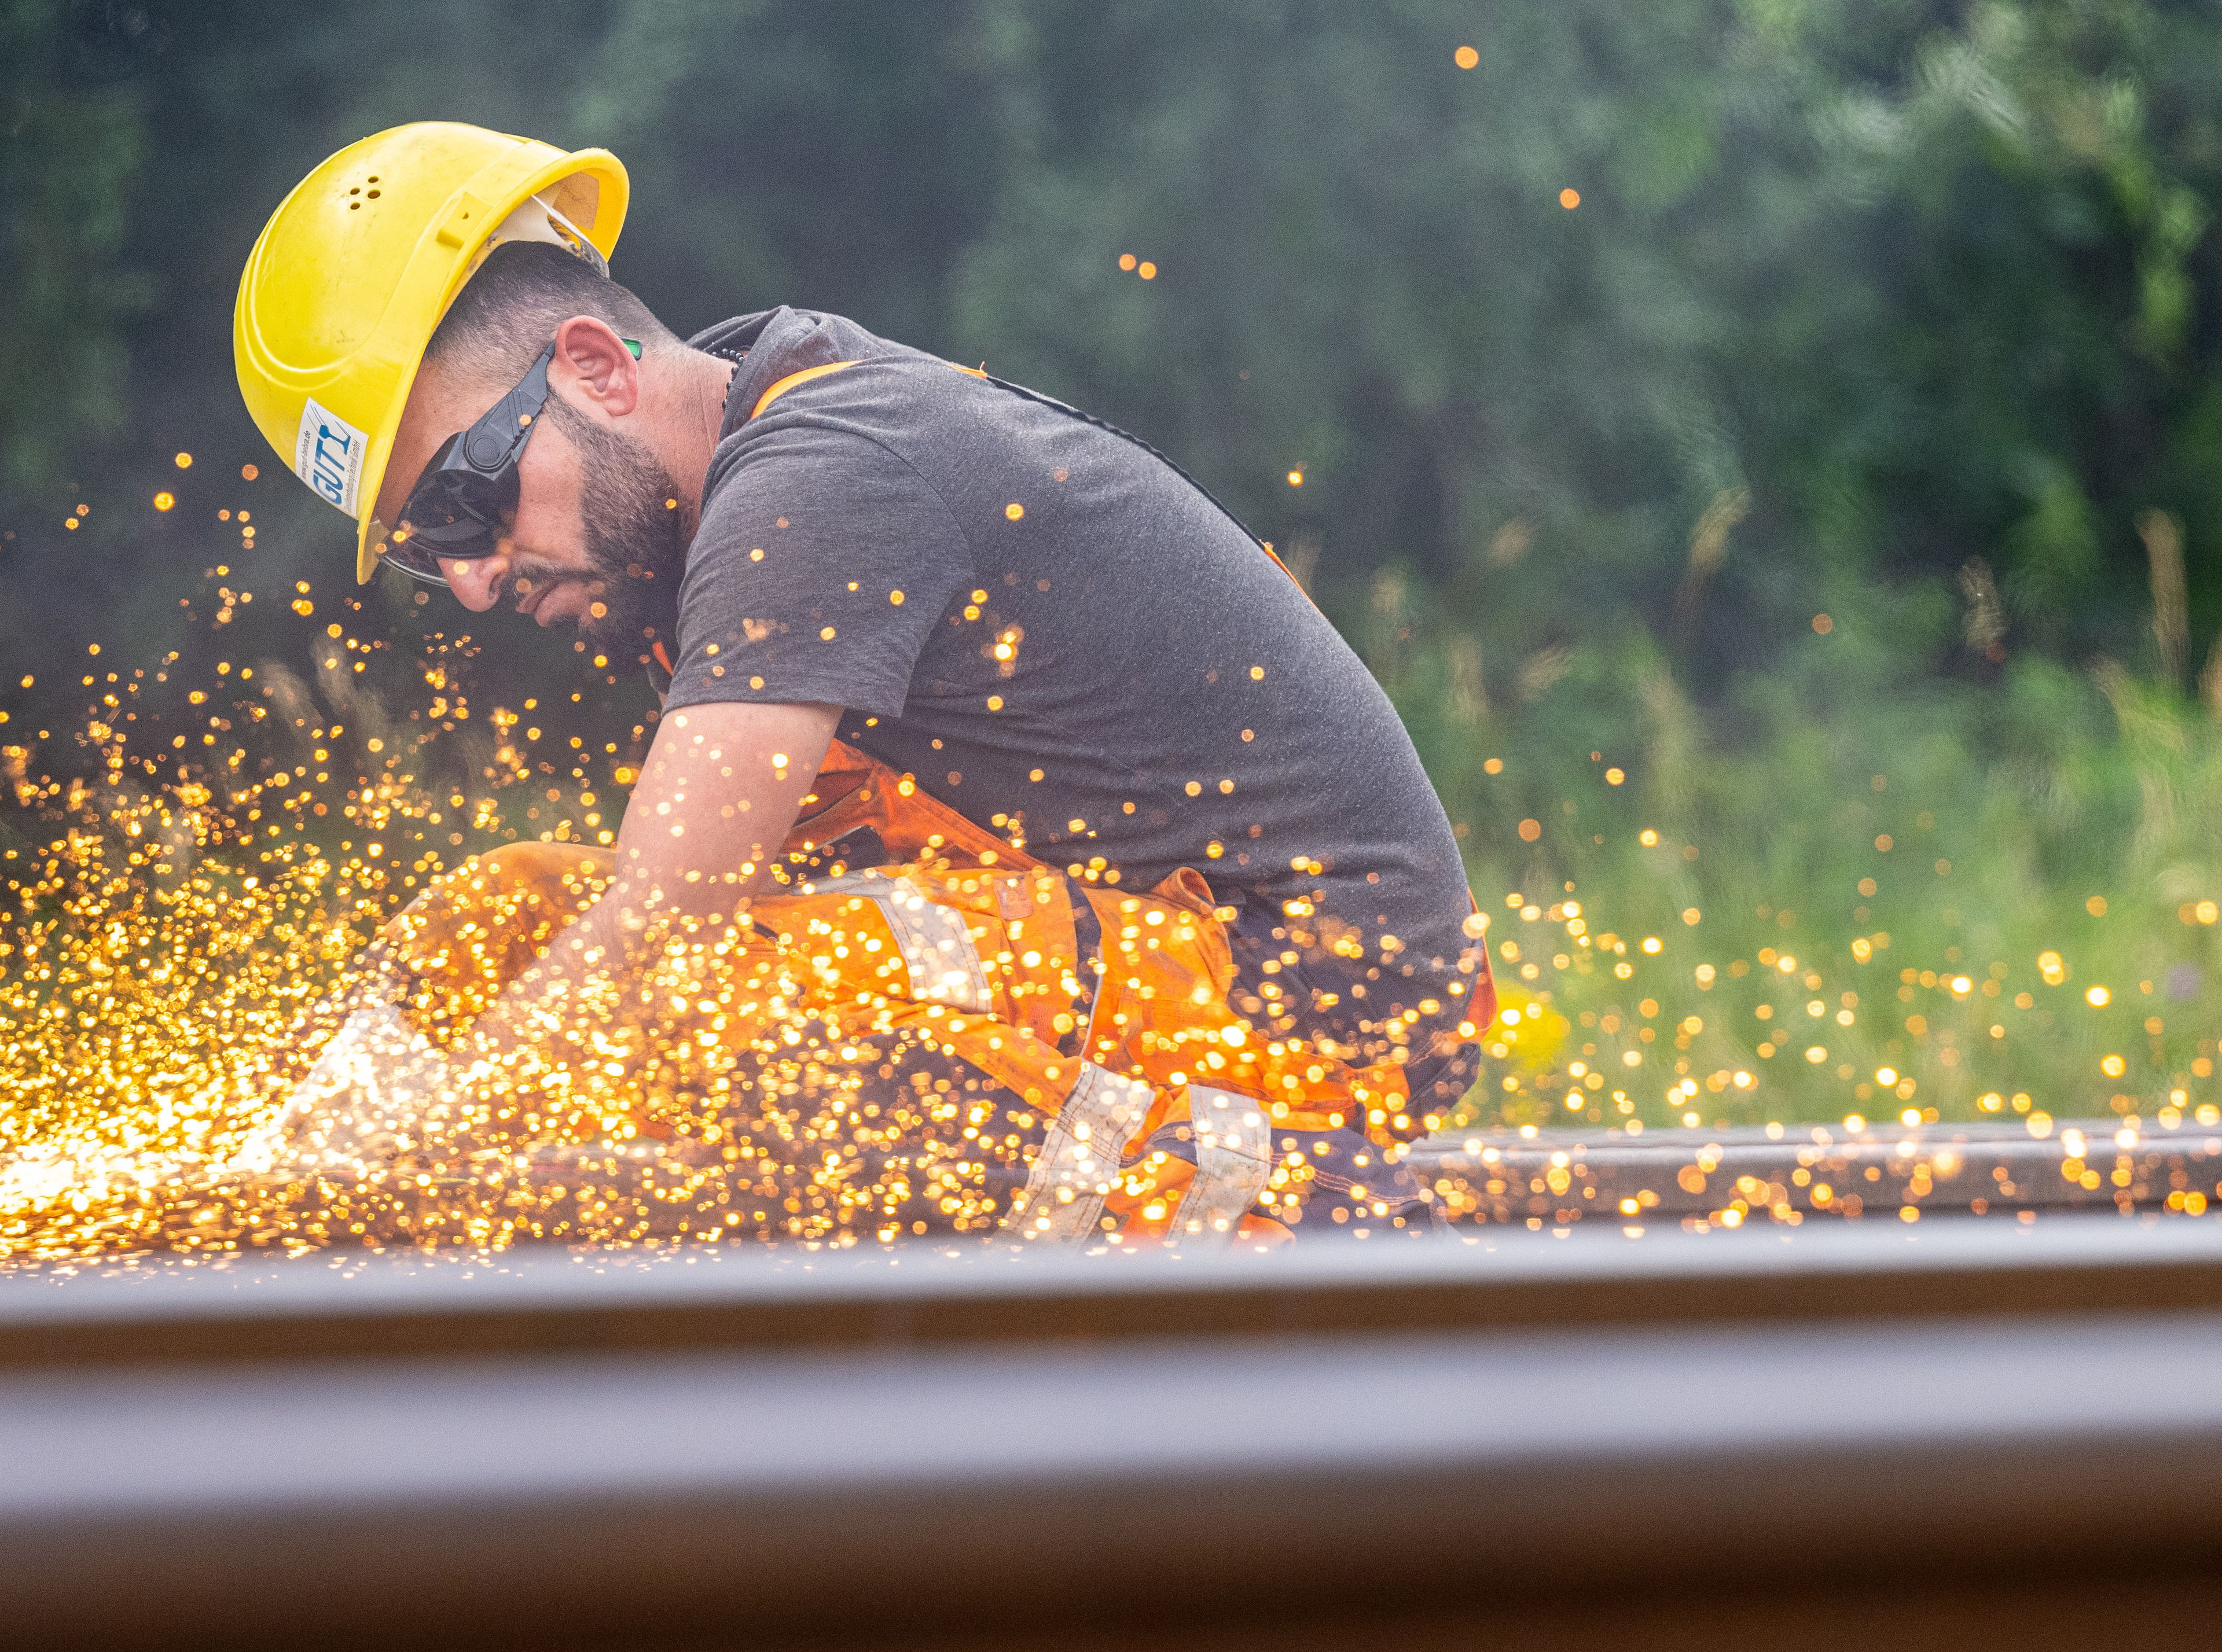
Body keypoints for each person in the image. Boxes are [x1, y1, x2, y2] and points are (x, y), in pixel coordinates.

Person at [232, 122, 1488, 1238]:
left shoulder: (825, 474)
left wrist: (401, 1164)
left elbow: (667, 924)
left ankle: (1304, 1220)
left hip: (1322, 1000)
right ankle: (260, 1188)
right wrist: (291, 1169)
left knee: (725, 1009)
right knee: (501, 918)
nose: (473, 580)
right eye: (425, 548)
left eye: (468, 501)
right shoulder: (720, 477)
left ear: (596, 366)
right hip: (1139, 939)